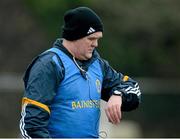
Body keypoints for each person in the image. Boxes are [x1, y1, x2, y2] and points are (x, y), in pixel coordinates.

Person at [19, 7, 141, 138]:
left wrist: (118, 95)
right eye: (91, 39)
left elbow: (133, 88)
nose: (96, 44)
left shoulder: (97, 64)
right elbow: (32, 125)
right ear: (75, 36)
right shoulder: (49, 65)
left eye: (98, 39)